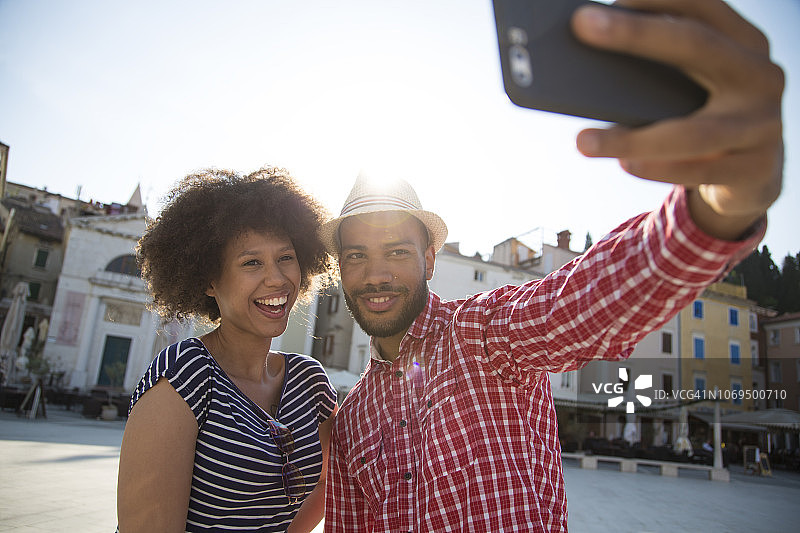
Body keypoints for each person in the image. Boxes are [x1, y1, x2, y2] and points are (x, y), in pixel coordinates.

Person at [320, 1, 783, 531]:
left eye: (397, 252)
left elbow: (585, 301)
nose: (375, 274)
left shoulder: (487, 335)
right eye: (356, 255)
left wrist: (718, 206)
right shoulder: (352, 418)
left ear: (429, 258)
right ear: (339, 268)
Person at [117, 168, 338, 532]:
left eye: (286, 257)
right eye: (252, 263)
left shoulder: (309, 381)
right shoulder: (184, 374)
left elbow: (328, 480)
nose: (277, 278)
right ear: (208, 281)